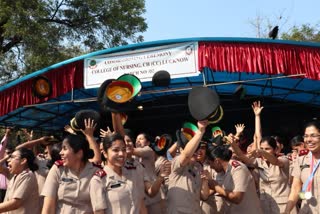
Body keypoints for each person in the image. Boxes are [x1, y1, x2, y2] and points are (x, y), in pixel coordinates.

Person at [89, 133, 170, 214]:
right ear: (105, 153)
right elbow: (99, 212)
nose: (121, 154)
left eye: (124, 149)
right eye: (116, 150)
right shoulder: (99, 180)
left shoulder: (134, 172)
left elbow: (141, 204)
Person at [41, 119, 101, 214]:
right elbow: (48, 206)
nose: (61, 153)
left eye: (65, 149)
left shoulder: (95, 171)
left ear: (79, 153)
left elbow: (99, 209)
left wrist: (89, 136)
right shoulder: (58, 169)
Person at [167, 120, 210, 214]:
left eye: (197, 149)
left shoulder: (198, 167)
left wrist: (205, 182)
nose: (196, 152)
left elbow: (204, 196)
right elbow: (186, 155)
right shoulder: (176, 163)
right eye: (193, 149)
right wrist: (200, 131)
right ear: (181, 150)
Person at [207, 144, 263, 214]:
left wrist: (216, 187)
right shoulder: (220, 172)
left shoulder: (238, 169)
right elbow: (210, 192)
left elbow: (237, 198)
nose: (211, 167)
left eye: (210, 163)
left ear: (217, 161)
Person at [285, 121, 320, 213]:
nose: (308, 139)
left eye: (313, 136)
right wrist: (287, 211)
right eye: (306, 136)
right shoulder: (301, 160)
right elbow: (296, 188)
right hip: (307, 210)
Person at [0, 147, 40, 213]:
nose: (8, 160)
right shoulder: (15, 175)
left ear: (23, 161)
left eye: (12, 157)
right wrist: (7, 157)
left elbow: (15, 203)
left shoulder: (27, 175)